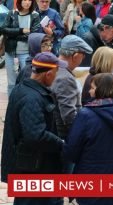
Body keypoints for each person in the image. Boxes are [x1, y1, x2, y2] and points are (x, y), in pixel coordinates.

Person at [63, 73, 113, 205]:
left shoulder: (86, 116)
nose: (89, 91)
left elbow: (71, 151)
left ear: (102, 90)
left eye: (92, 88)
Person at [1, 52, 64, 205]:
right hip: (33, 167)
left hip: (27, 164)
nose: (56, 77)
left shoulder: (22, 88)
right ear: (48, 74)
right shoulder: (32, 98)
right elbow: (35, 135)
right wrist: (61, 143)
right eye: (55, 74)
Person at [51, 35, 92, 140]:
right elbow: (69, 117)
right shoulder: (65, 78)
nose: (83, 59)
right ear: (75, 55)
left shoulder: (56, 68)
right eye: (83, 56)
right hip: (64, 136)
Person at [1, 0, 40, 95]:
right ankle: (12, 104)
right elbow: (3, 29)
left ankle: (23, 102)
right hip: (10, 52)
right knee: (11, 82)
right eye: (25, 0)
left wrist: (12, 34)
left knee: (26, 80)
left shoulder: (35, 15)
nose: (27, 2)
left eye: (29, 0)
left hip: (26, 52)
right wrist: (21, 30)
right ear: (20, 1)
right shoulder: (12, 13)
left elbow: (32, 34)